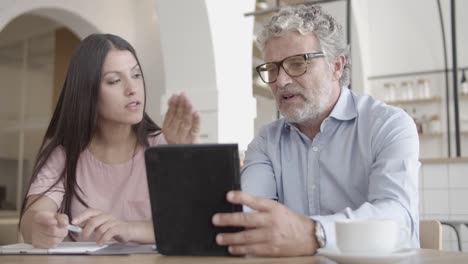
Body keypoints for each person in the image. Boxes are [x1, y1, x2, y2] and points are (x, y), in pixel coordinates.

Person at [212, 5, 419, 257]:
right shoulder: (267, 141)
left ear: (336, 67)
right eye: (272, 69)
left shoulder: (388, 126)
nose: (280, 81)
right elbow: (243, 212)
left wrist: (315, 233)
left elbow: (396, 220)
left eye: (297, 64)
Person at [19, 33, 200, 249]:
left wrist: (128, 228)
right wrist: (40, 228)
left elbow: (192, 224)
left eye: (136, 75)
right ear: (88, 92)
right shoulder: (64, 154)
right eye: (114, 80)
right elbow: (33, 219)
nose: (132, 88)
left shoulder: (164, 145)